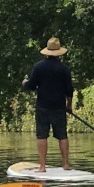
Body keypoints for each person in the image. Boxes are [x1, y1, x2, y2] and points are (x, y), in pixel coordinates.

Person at [21, 36, 74, 172]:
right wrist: (69, 105)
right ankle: (66, 164)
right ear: (59, 53)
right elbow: (69, 90)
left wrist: (25, 83)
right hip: (59, 107)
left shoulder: (38, 67)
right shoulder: (64, 69)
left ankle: (42, 166)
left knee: (42, 135)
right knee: (62, 135)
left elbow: (31, 86)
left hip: (43, 106)